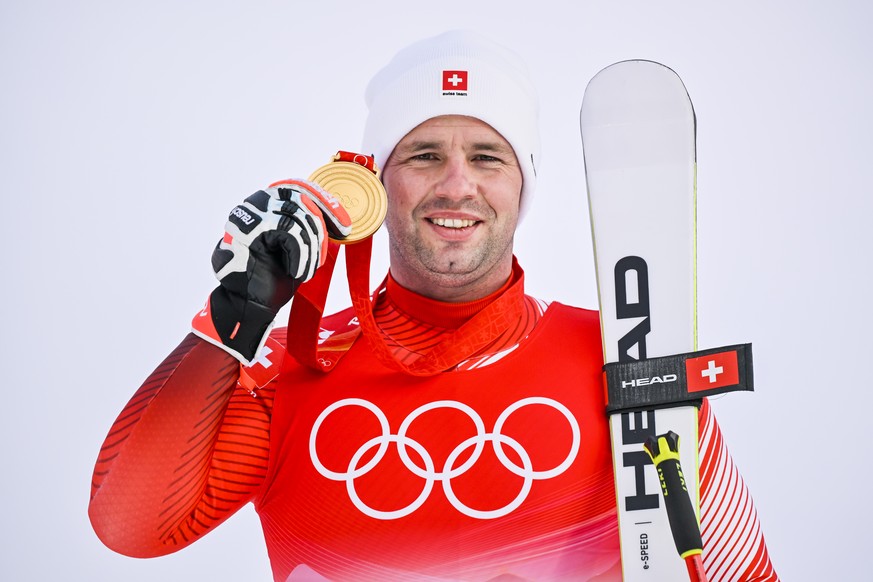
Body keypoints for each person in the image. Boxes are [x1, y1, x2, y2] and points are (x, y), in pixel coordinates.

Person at [89, 30, 778, 582]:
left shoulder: (624, 355)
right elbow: (132, 526)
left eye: (486, 157)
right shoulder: (290, 368)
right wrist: (232, 320)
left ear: (521, 186)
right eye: (422, 155)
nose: (457, 186)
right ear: (373, 186)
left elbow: (741, 572)